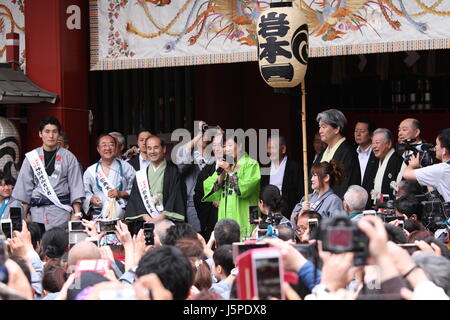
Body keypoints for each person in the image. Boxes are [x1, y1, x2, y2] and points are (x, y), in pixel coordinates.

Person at [13, 117, 85, 232]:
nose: (51, 136)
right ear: (40, 134)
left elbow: (75, 186)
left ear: (58, 134)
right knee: (38, 246)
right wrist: (23, 215)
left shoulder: (69, 157)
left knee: (59, 246)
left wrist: (77, 213)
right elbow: (24, 189)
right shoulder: (32, 157)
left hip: (61, 212)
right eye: (47, 131)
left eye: (54, 132)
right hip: (37, 213)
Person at [125, 135, 186, 235]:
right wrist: (147, 218)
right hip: (146, 221)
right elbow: (136, 199)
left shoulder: (174, 172)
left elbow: (176, 197)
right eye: (149, 148)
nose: (152, 151)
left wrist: (160, 218)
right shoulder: (141, 175)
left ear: (164, 149)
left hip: (167, 221)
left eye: (156, 147)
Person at [202, 136, 261, 238]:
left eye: (230, 145)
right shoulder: (226, 165)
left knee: (246, 244)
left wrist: (230, 172)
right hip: (226, 214)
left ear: (240, 145)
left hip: (246, 214)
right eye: (225, 146)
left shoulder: (251, 164)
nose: (227, 149)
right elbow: (210, 188)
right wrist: (221, 176)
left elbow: (243, 190)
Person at [175, 121, 216, 233]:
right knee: (195, 236)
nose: (204, 134)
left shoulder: (215, 158)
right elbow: (180, 163)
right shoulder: (189, 155)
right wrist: (198, 134)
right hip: (192, 203)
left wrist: (220, 137)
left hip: (213, 203)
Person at [83, 134, 136, 220]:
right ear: (98, 149)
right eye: (104, 145)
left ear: (116, 148)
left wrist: (121, 193)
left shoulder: (126, 167)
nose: (108, 148)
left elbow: (136, 190)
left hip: (122, 216)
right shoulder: (90, 171)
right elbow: (84, 193)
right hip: (99, 216)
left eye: (111, 145)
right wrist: (91, 199)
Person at [314, 109, 361, 198]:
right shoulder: (323, 153)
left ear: (336, 129)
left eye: (323, 127)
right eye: (319, 127)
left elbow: (344, 185)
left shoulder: (347, 153)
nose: (320, 131)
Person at [260, 135, 302, 219]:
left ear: (283, 149)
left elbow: (300, 192)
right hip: (268, 213)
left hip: (289, 212)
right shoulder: (265, 167)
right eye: (268, 148)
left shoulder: (293, 167)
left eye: (273, 148)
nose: (269, 151)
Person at [403, 128, 450, 202]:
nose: (435, 147)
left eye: (437, 144)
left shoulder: (441, 170)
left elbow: (406, 174)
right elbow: (432, 191)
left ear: (444, 151)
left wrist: (412, 165)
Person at [194, 134, 223, 241]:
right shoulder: (207, 169)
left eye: (220, 145)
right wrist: (211, 200)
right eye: (214, 145)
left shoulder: (235, 166)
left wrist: (223, 201)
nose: (216, 148)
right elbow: (198, 193)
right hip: (211, 217)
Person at [370, 128, 406, 202]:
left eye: (377, 142)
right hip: (378, 206)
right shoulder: (375, 161)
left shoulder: (397, 161)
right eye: (372, 143)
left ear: (389, 144)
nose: (374, 146)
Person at [354, 119, 379, 200]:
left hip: (370, 198)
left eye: (362, 131)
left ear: (371, 135)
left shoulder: (377, 154)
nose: (358, 134)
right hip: (353, 198)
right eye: (356, 131)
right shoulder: (351, 153)